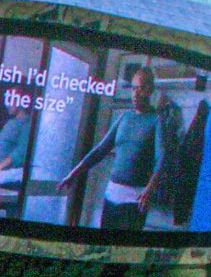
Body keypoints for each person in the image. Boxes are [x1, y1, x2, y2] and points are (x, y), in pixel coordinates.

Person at [59, 65, 175, 234]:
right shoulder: (124, 118)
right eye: (134, 88)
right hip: (111, 195)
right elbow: (100, 151)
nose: (135, 93)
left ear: (150, 91)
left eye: (141, 88)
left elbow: (162, 159)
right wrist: (74, 173)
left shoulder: (156, 121)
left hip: (134, 200)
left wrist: (149, 190)